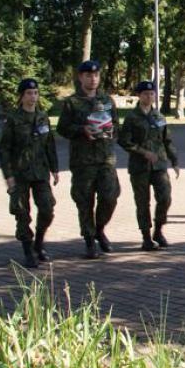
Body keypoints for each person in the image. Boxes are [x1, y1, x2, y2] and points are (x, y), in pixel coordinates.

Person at [57, 60, 121, 259]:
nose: (92, 79)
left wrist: (110, 130)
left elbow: (116, 125)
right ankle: (89, 240)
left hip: (105, 158)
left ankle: (99, 228)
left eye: (96, 75)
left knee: (110, 197)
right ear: (80, 77)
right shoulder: (72, 102)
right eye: (88, 75)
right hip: (83, 161)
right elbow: (62, 128)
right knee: (84, 202)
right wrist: (82, 130)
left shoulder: (108, 100)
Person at [0, 78, 59, 268]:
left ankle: (38, 244)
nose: (33, 97)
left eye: (35, 93)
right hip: (20, 173)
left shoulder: (43, 117)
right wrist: (8, 175)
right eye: (29, 93)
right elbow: (4, 149)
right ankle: (27, 250)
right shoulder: (14, 119)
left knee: (47, 208)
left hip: (40, 172)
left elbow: (50, 145)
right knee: (22, 212)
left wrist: (55, 169)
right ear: (21, 96)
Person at [118, 81, 180, 250]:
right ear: (139, 95)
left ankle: (158, 231)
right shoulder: (132, 118)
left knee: (165, 198)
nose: (149, 96)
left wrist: (174, 161)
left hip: (159, 166)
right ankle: (146, 237)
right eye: (145, 94)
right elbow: (124, 141)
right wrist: (143, 152)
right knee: (142, 202)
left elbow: (167, 140)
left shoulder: (159, 116)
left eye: (152, 94)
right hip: (139, 167)